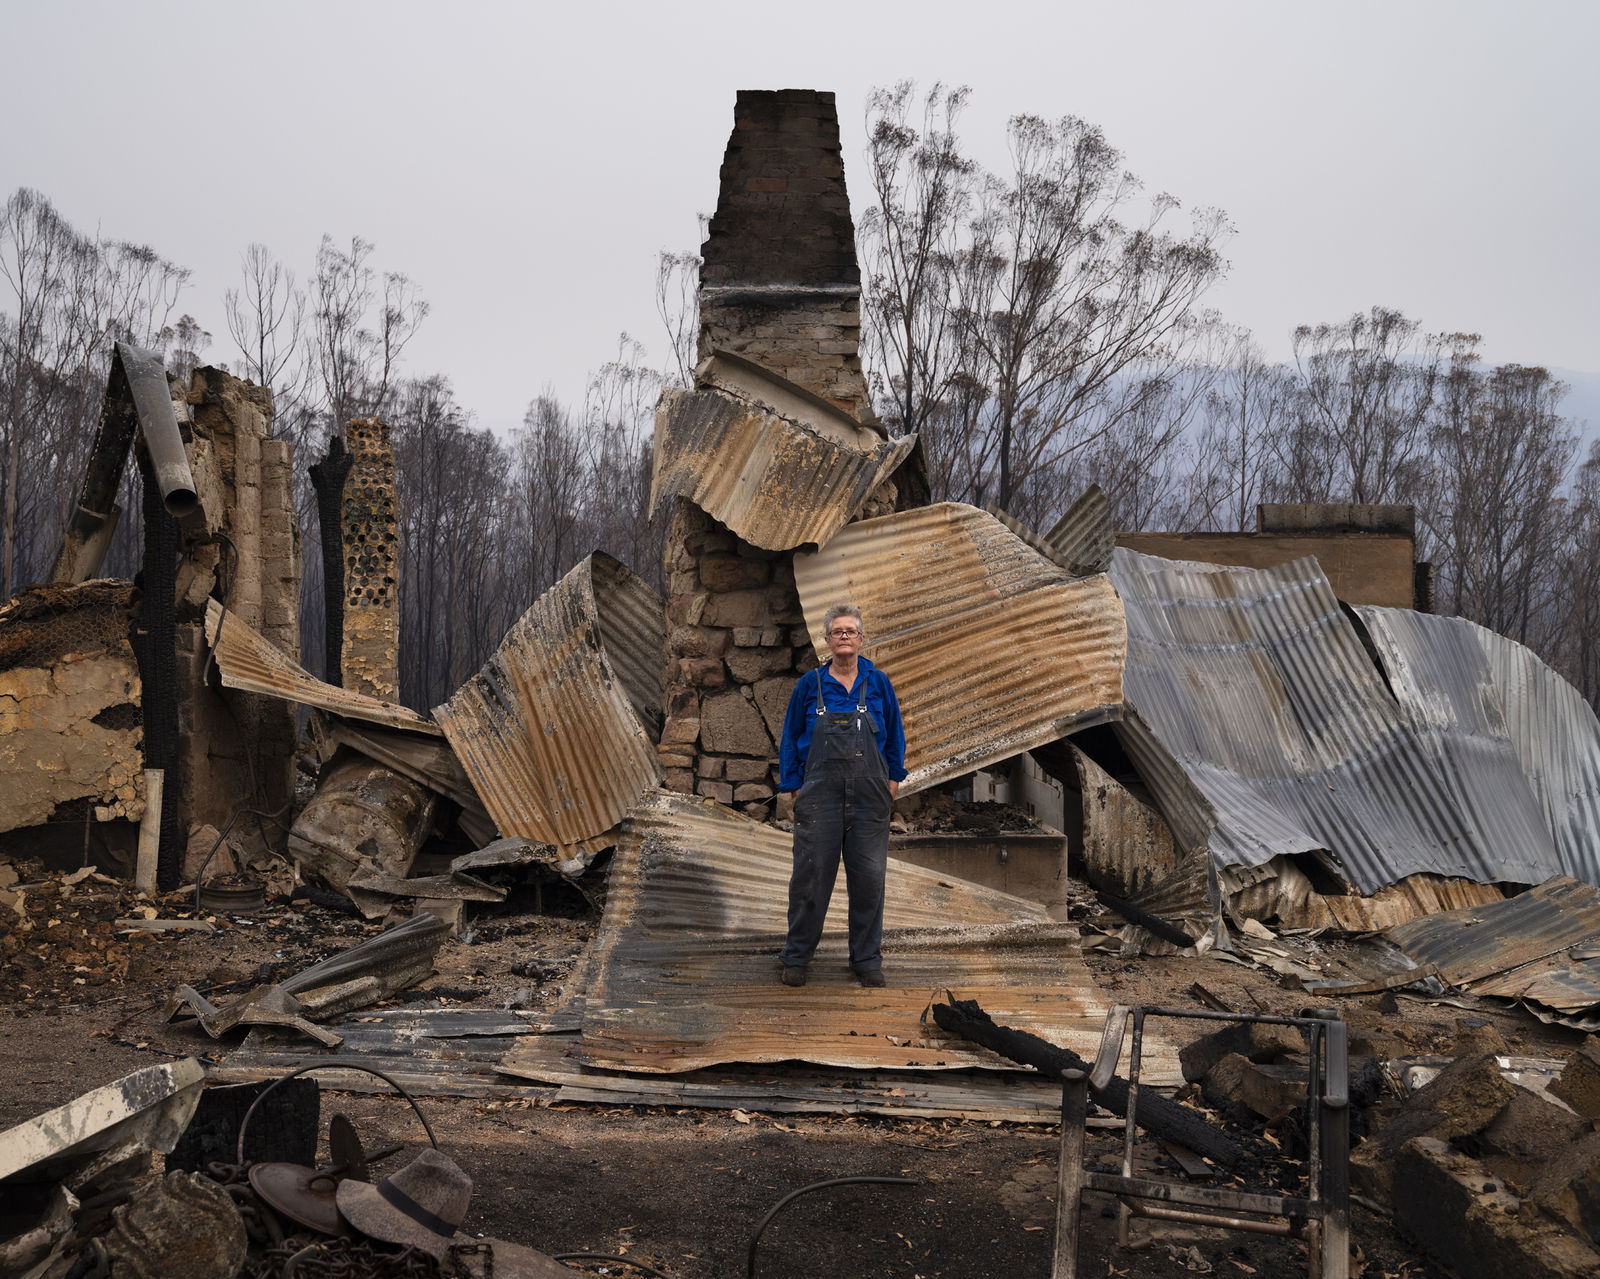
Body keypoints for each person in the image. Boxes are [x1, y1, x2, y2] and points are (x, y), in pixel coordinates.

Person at [776, 602, 907, 988]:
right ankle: (797, 956)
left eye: (851, 631)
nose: (844, 637)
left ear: (861, 639)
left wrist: (894, 779)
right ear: (828, 640)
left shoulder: (878, 682)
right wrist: (794, 787)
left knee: (869, 880)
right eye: (838, 632)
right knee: (810, 878)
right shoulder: (810, 685)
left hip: (870, 797)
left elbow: (896, 735)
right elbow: (789, 738)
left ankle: (866, 959)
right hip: (820, 795)